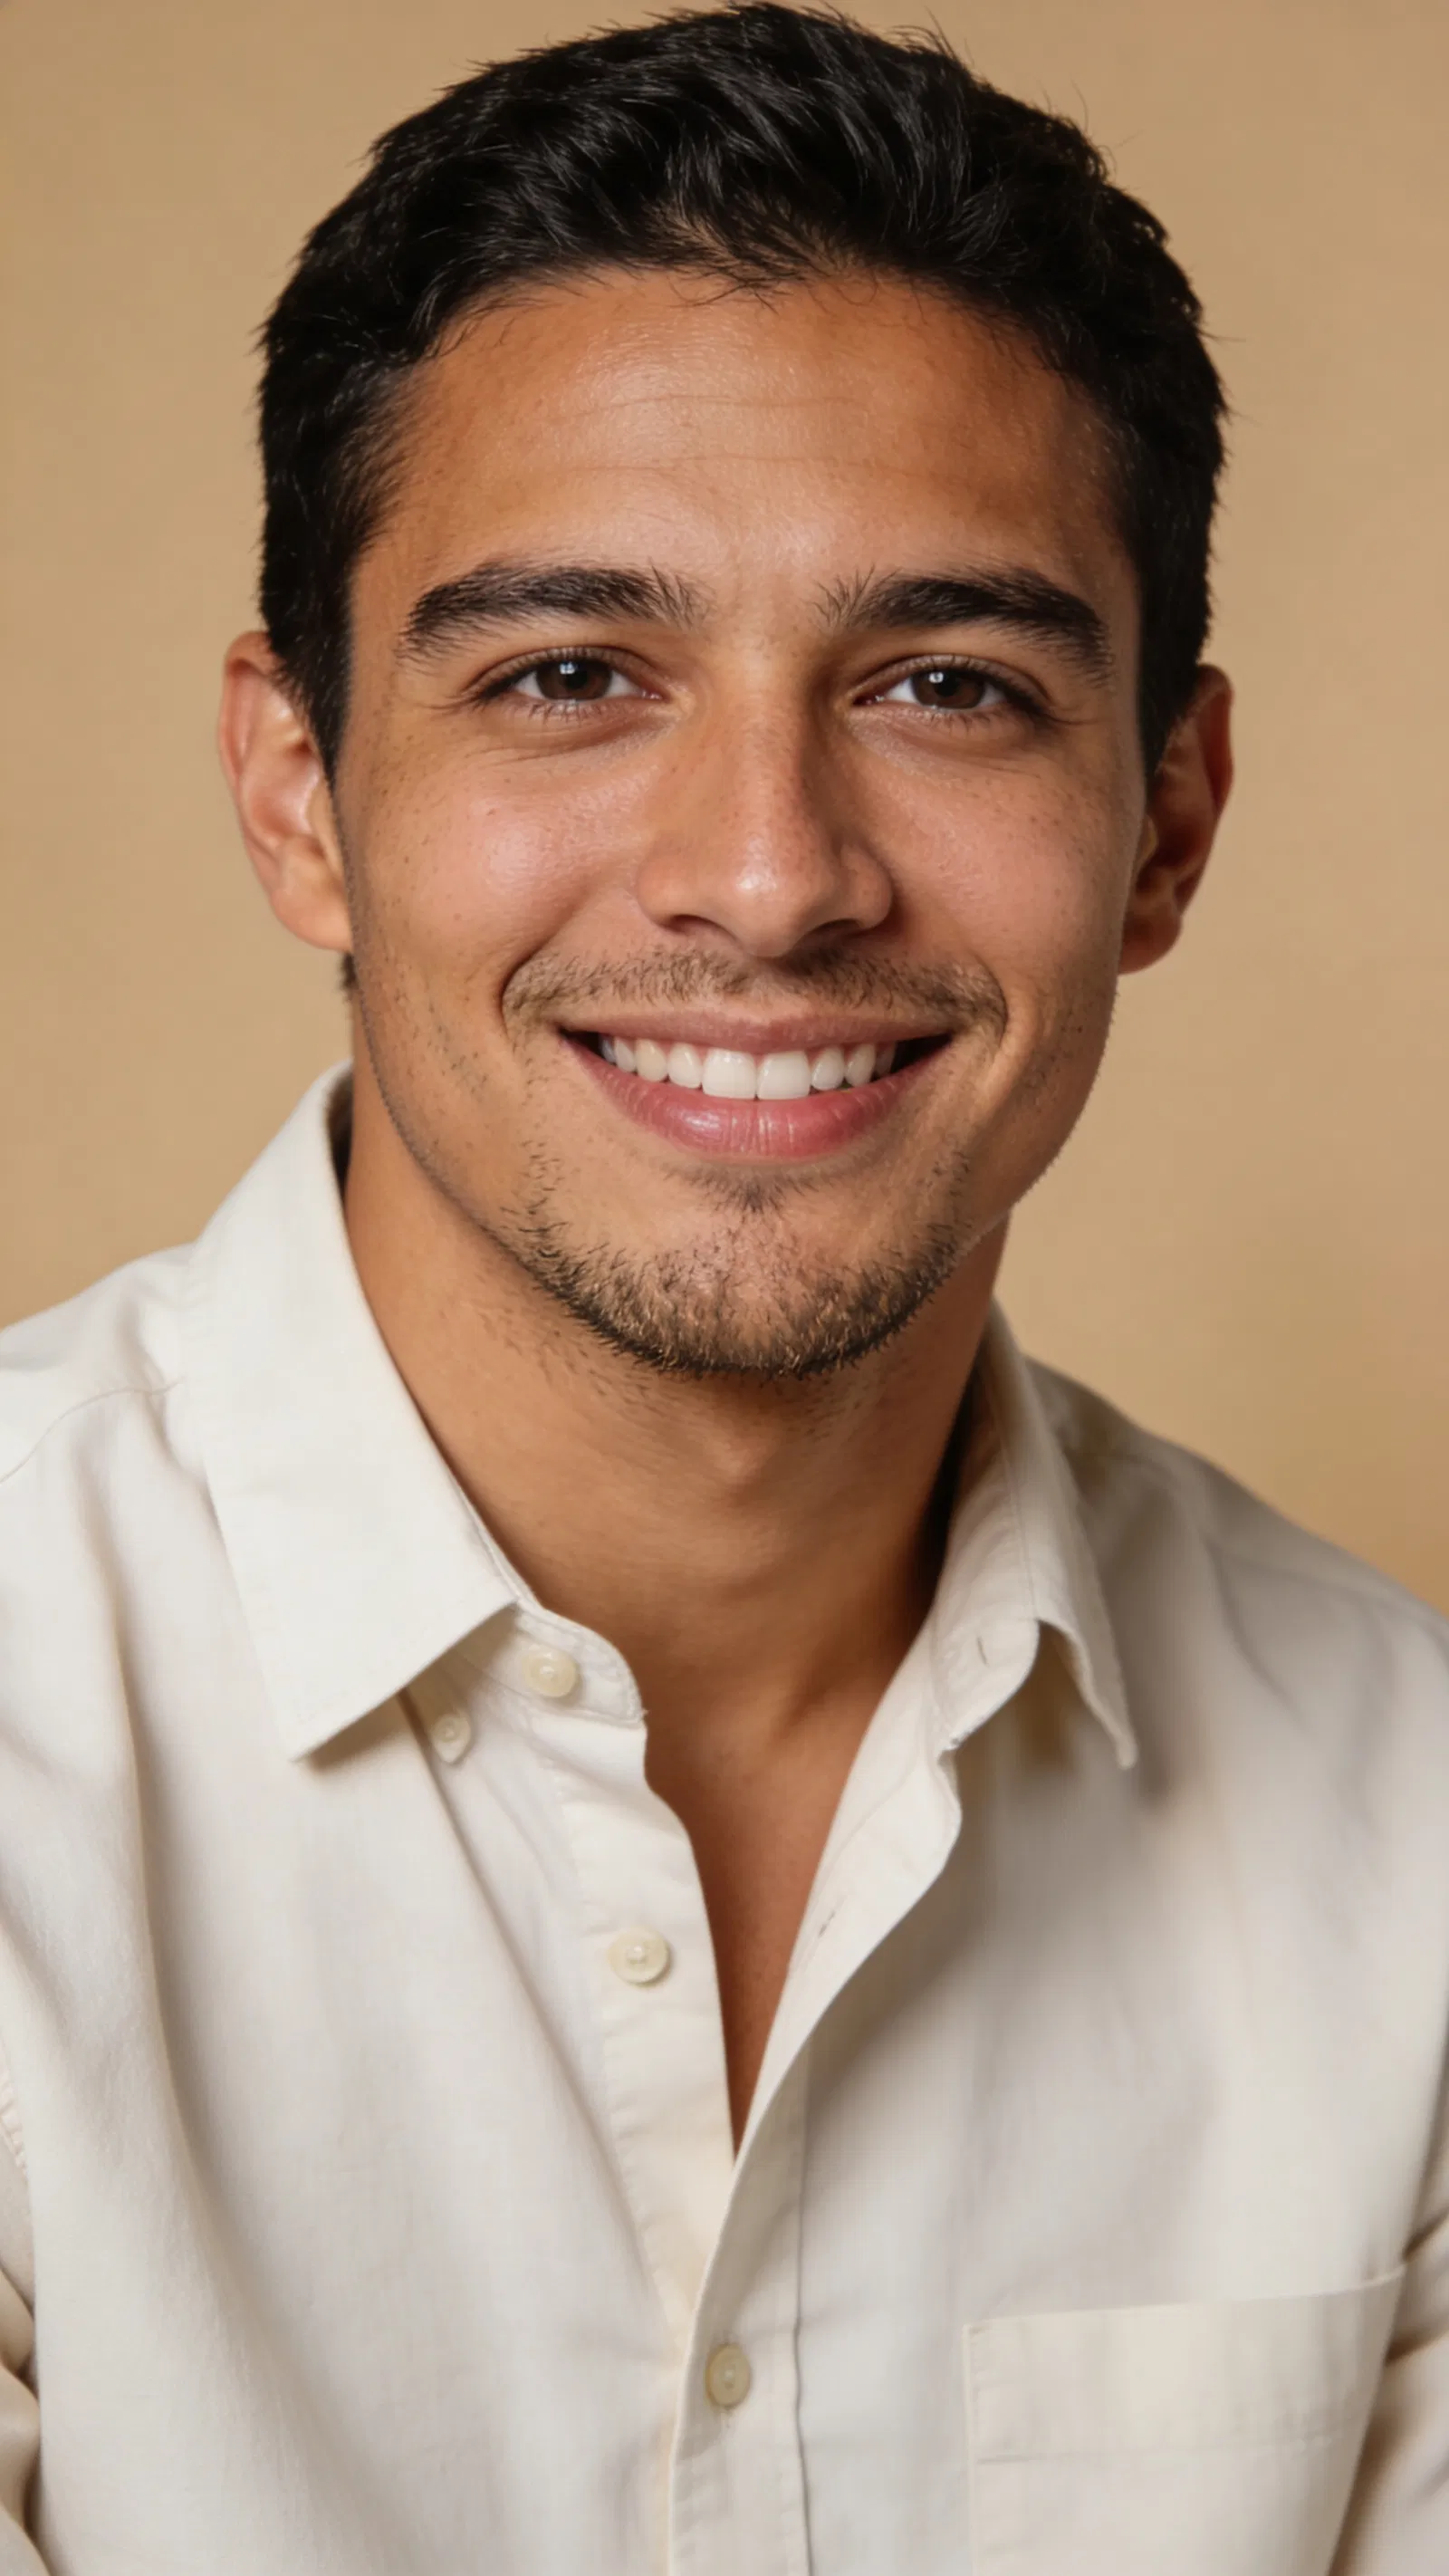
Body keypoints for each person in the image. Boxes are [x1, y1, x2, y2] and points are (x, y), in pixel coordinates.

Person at [1, 5, 1444, 2568]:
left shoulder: (1411, 1834)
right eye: (570, 676)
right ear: (298, 789)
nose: (768, 877)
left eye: (946, 685)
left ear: (1165, 820)